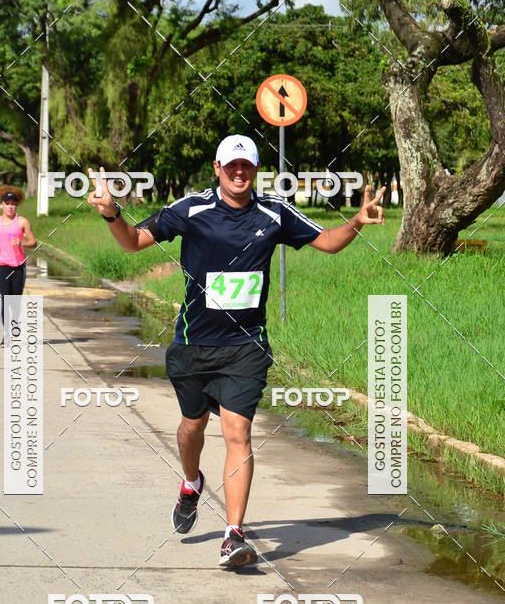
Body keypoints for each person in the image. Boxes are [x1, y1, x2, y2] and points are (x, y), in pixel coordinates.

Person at [87, 135, 385, 569]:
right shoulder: (191, 209)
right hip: (193, 345)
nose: (239, 172)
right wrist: (112, 214)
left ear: (256, 169)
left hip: (245, 347)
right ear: (217, 167)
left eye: (246, 165)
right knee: (192, 429)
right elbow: (133, 242)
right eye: (232, 166)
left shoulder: (274, 213)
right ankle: (191, 482)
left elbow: (328, 242)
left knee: (237, 434)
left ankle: (233, 535)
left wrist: (357, 220)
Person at [0, 185, 37, 346]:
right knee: (5, 299)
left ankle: (15, 326)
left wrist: (22, 243)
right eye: (7, 203)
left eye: (13, 203)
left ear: (16, 205)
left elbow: (34, 242)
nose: (10, 206)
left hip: (18, 266)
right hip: (1, 266)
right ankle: (6, 335)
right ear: (1, 205)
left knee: (15, 301)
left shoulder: (22, 222)